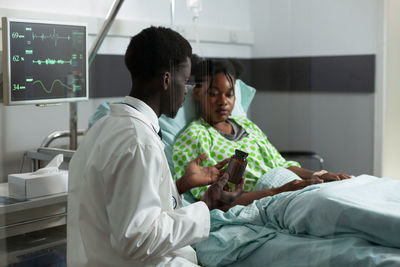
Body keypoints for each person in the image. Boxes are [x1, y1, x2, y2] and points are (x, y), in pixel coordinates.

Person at [67, 27, 244, 267]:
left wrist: (180, 187)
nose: (186, 90)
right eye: (185, 80)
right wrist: (206, 206)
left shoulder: (104, 128)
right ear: (167, 80)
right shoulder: (139, 143)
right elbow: (137, 239)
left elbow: (130, 204)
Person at [172, 57, 351, 207]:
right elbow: (209, 201)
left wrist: (317, 176)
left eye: (229, 94)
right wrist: (278, 192)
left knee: (348, 192)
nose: (223, 102)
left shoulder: (247, 125)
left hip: (293, 186)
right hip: (267, 199)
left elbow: (282, 164)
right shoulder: (194, 136)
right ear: (196, 93)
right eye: (214, 93)